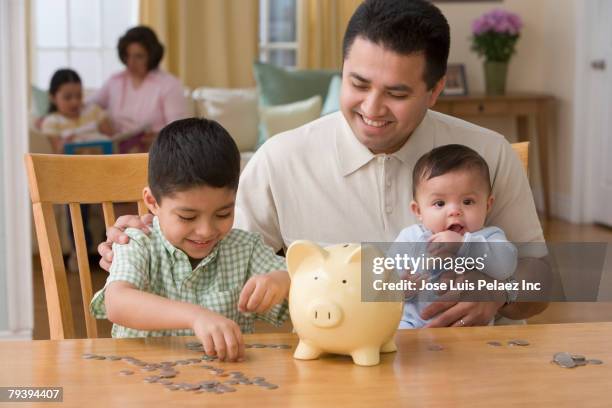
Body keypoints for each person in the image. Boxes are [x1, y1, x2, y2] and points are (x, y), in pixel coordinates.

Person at [98, 0, 548, 328]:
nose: (372, 108)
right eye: (357, 83)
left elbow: (542, 278)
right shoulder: (282, 158)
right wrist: (150, 236)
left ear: (435, 91)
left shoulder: (487, 153)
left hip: (472, 368)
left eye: (397, 93)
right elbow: (214, 249)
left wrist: (502, 293)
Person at [89, 118, 291, 362]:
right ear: (152, 202)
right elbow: (117, 302)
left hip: (223, 387)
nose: (206, 231)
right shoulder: (138, 242)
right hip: (141, 385)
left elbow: (303, 279)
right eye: (187, 217)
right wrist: (195, 316)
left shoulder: (245, 248)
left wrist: (281, 281)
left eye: (223, 213)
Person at [391, 144, 517, 329]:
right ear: (418, 210)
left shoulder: (489, 237)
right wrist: (403, 288)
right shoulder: (410, 237)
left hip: (469, 328)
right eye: (439, 203)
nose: (454, 211)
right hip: (412, 325)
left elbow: (505, 267)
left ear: (487, 205)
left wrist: (464, 245)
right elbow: (386, 279)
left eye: (468, 201)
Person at [88, 26, 188, 152]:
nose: (131, 63)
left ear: (152, 56)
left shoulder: (169, 85)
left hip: (154, 154)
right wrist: (100, 119)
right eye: (127, 56)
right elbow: (86, 105)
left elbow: (179, 132)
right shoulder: (115, 81)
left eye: (139, 56)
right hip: (116, 153)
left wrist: (157, 139)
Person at [41, 68, 113, 154]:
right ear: (53, 98)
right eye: (67, 97)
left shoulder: (94, 111)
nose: (75, 102)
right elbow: (57, 153)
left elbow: (112, 141)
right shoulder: (51, 122)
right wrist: (64, 145)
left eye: (79, 96)